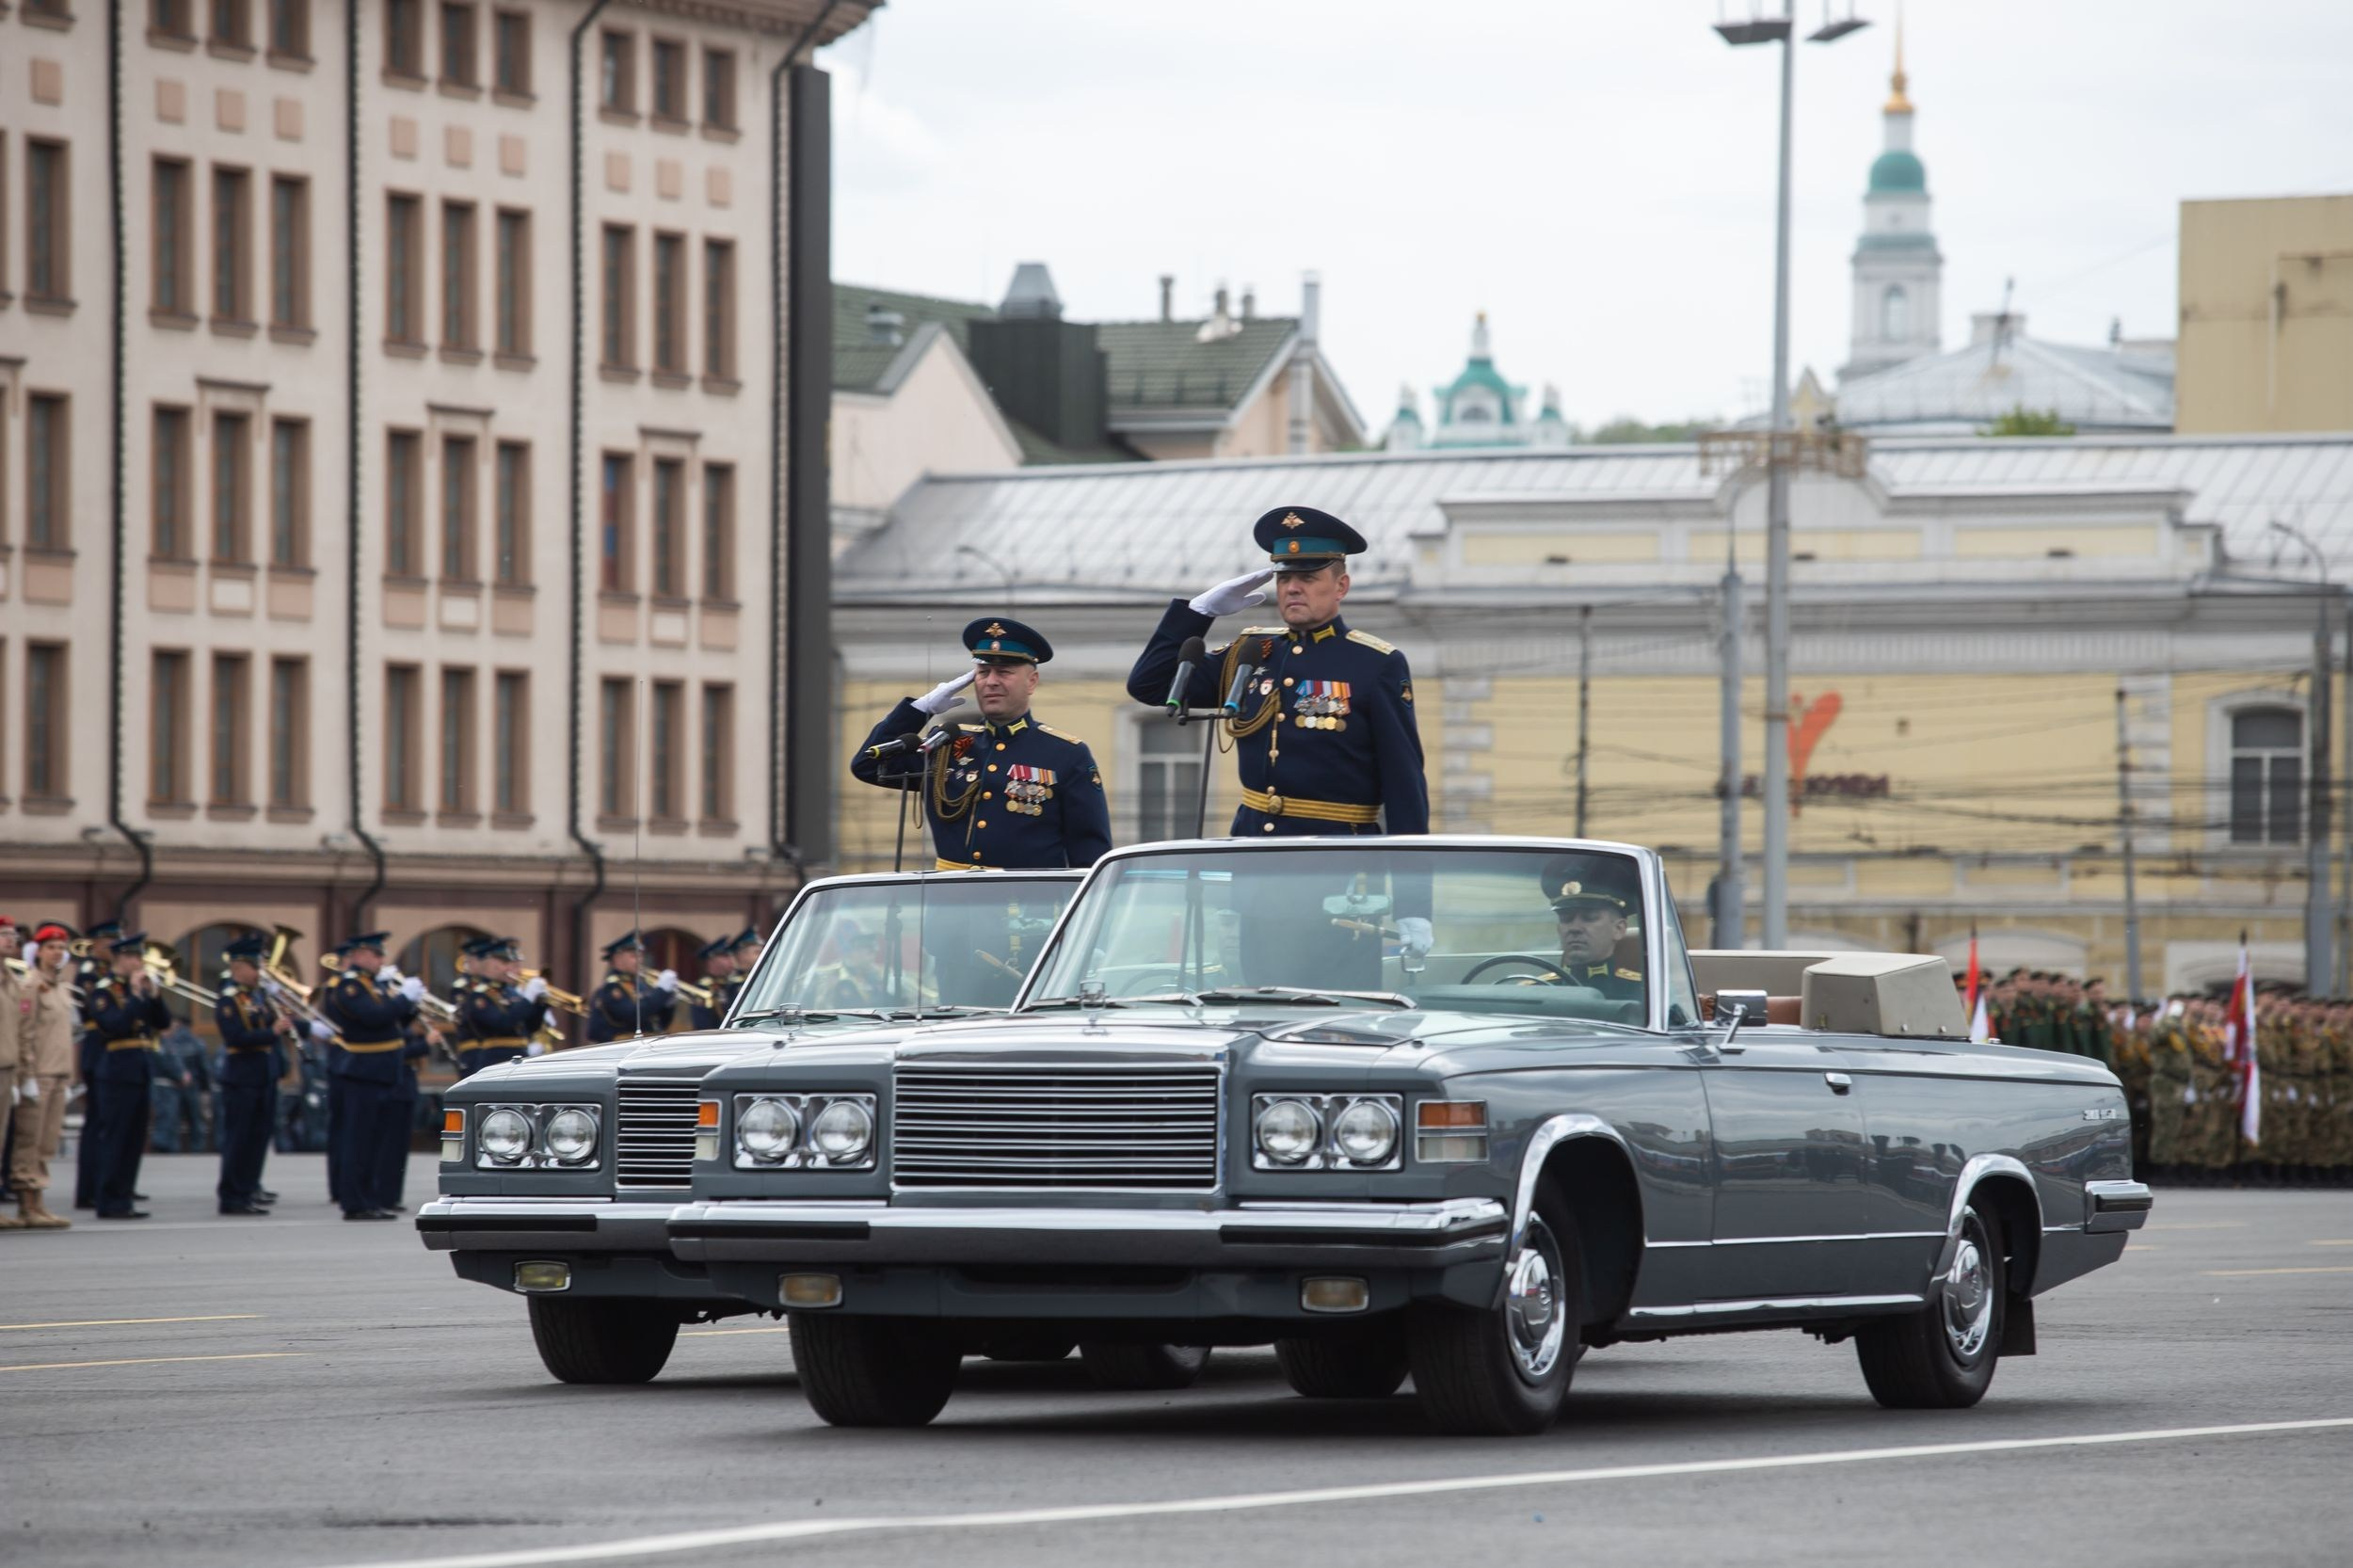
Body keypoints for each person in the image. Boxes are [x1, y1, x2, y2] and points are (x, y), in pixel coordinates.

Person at [1128, 505, 1428, 842]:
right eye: (1284, 579)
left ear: (1341, 586)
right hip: (1253, 848)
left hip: (1339, 852)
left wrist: (1409, 879)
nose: (1293, 589)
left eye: (1308, 578)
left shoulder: (1375, 663)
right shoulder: (1251, 653)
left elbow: (1404, 781)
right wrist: (1197, 614)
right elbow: (1149, 685)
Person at [853, 616, 1112, 872]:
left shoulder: (1066, 754)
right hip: (952, 900)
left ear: (1031, 681)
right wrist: (921, 709)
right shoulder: (947, 744)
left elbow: (1089, 854)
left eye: (1004, 672)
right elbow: (867, 765)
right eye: (983, 672)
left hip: (1029, 904)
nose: (991, 682)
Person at [315, 933, 423, 1221]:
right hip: (362, 1072)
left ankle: (371, 1198)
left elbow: (395, 1021)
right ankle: (356, 1201)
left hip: (380, 1072)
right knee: (359, 1141)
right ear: (360, 955)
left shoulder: (371, 985)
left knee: (375, 1141)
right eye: (376, 955)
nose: (380, 960)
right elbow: (373, 1017)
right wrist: (403, 998)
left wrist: (410, 1003)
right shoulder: (349, 986)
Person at [85, 934, 174, 1220]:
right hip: (116, 1071)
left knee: (135, 1139)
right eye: (133, 957)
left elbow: (163, 1023)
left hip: (140, 1069)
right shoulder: (103, 992)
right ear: (119, 959)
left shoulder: (140, 990)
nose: (138, 962)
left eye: (139, 957)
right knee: (116, 1137)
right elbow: (115, 1026)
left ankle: (124, 1197)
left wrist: (155, 995)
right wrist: (135, 997)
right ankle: (108, 1199)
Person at [213, 935, 290, 1215]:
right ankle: (231, 1196)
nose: (260, 972)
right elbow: (235, 1037)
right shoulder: (229, 999)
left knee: (258, 1138)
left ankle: (247, 1191)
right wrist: (273, 1031)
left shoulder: (258, 996)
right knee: (240, 1139)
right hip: (242, 1077)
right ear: (238, 967)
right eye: (255, 966)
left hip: (264, 1076)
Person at [1537, 856, 1646, 1003]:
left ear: (1619, 929)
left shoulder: (1642, 994)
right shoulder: (1536, 991)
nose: (1574, 928)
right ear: (1558, 929)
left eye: (1589, 918)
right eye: (1566, 919)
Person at [72, 920, 121, 1210]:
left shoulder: (106, 972)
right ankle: (89, 1188)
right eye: (111, 944)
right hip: (98, 1049)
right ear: (98, 944)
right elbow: (97, 1011)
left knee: (110, 1123)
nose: (115, 950)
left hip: (107, 1051)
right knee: (97, 1123)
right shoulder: (90, 973)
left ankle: (111, 1181)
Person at [455, 936, 540, 1073]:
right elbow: (502, 1022)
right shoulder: (479, 995)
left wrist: (540, 1005)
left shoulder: (509, 992)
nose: (509, 967)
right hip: (496, 1060)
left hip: (519, 1057)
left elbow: (530, 1026)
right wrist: (528, 1000)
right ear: (491, 964)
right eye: (505, 962)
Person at [586, 932, 678, 1044]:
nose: (640, 961)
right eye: (634, 956)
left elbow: (658, 1022)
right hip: (620, 1049)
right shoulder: (613, 988)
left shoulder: (640, 985)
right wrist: (661, 992)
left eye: (640, 956)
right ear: (618, 959)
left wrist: (667, 1004)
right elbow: (634, 1015)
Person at [690, 936, 737, 1031]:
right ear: (712, 960)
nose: (731, 960)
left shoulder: (730, 985)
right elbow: (703, 1025)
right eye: (725, 956)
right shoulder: (703, 988)